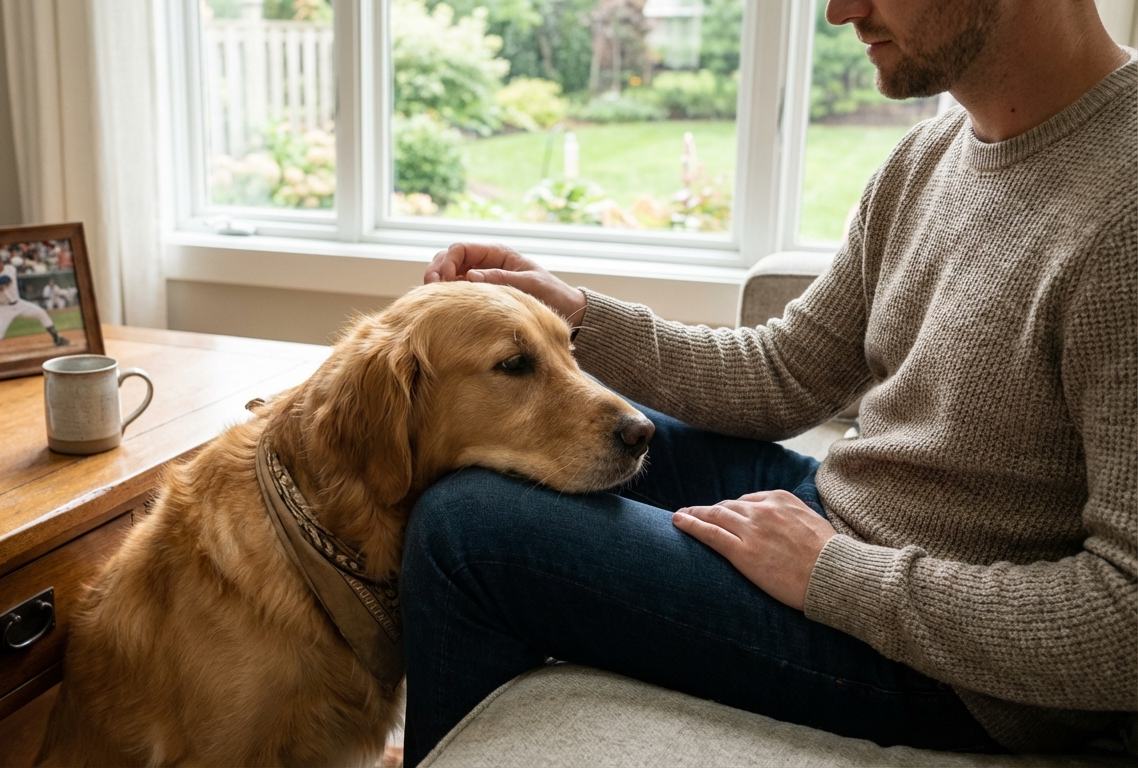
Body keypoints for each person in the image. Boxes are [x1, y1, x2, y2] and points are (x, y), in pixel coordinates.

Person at [404, 0, 1137, 763]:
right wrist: (580, 316)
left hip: (951, 669)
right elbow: (786, 371)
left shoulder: (1124, 213)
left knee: (466, 531)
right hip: (842, 511)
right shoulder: (929, 155)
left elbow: (1126, 617)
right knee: (556, 430)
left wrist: (833, 574)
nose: (840, 11)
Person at [0, 252, 71, 359]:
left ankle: (57, 338)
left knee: (41, 313)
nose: (1, 264)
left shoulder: (9, 269)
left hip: (18, 304)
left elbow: (3, 280)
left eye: (0, 261)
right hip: (3, 309)